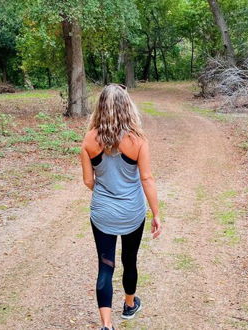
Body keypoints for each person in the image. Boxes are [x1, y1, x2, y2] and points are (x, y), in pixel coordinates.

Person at [80, 84, 161, 330]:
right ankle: (128, 305)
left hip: (102, 212)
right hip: (132, 212)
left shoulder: (89, 139)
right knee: (129, 259)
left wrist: (107, 193)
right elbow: (146, 178)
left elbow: (88, 181)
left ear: (100, 107)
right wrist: (156, 214)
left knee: (105, 265)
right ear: (127, 106)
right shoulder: (137, 140)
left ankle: (106, 325)